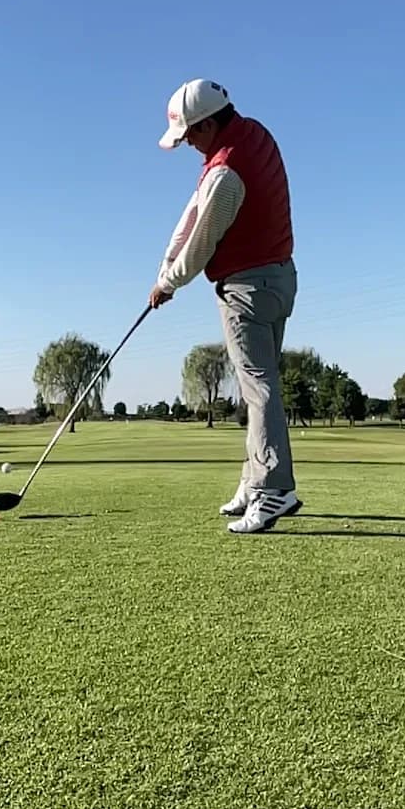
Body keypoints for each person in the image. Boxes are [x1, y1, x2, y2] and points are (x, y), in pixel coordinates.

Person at [149, 78, 301, 535]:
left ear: (210, 122)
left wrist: (169, 283)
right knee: (258, 386)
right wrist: (164, 264)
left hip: (246, 287)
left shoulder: (226, 172)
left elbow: (201, 241)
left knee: (259, 388)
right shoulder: (251, 134)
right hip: (279, 278)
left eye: (191, 134)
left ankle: (275, 490)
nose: (190, 144)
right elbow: (191, 213)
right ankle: (252, 483)